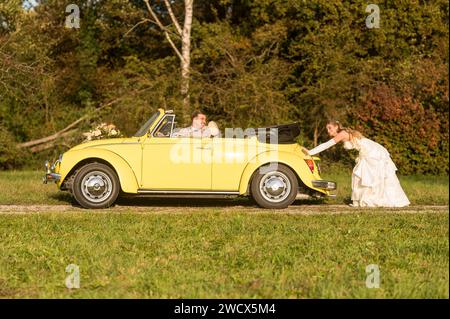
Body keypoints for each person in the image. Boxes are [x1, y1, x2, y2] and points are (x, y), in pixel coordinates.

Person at [305, 120, 410, 207]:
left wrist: (309, 152)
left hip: (371, 152)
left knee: (369, 176)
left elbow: (327, 145)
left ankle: (370, 200)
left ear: (337, 127)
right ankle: (366, 200)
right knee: (363, 175)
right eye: (327, 129)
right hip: (367, 151)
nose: (328, 131)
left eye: (330, 128)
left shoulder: (341, 134)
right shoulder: (343, 133)